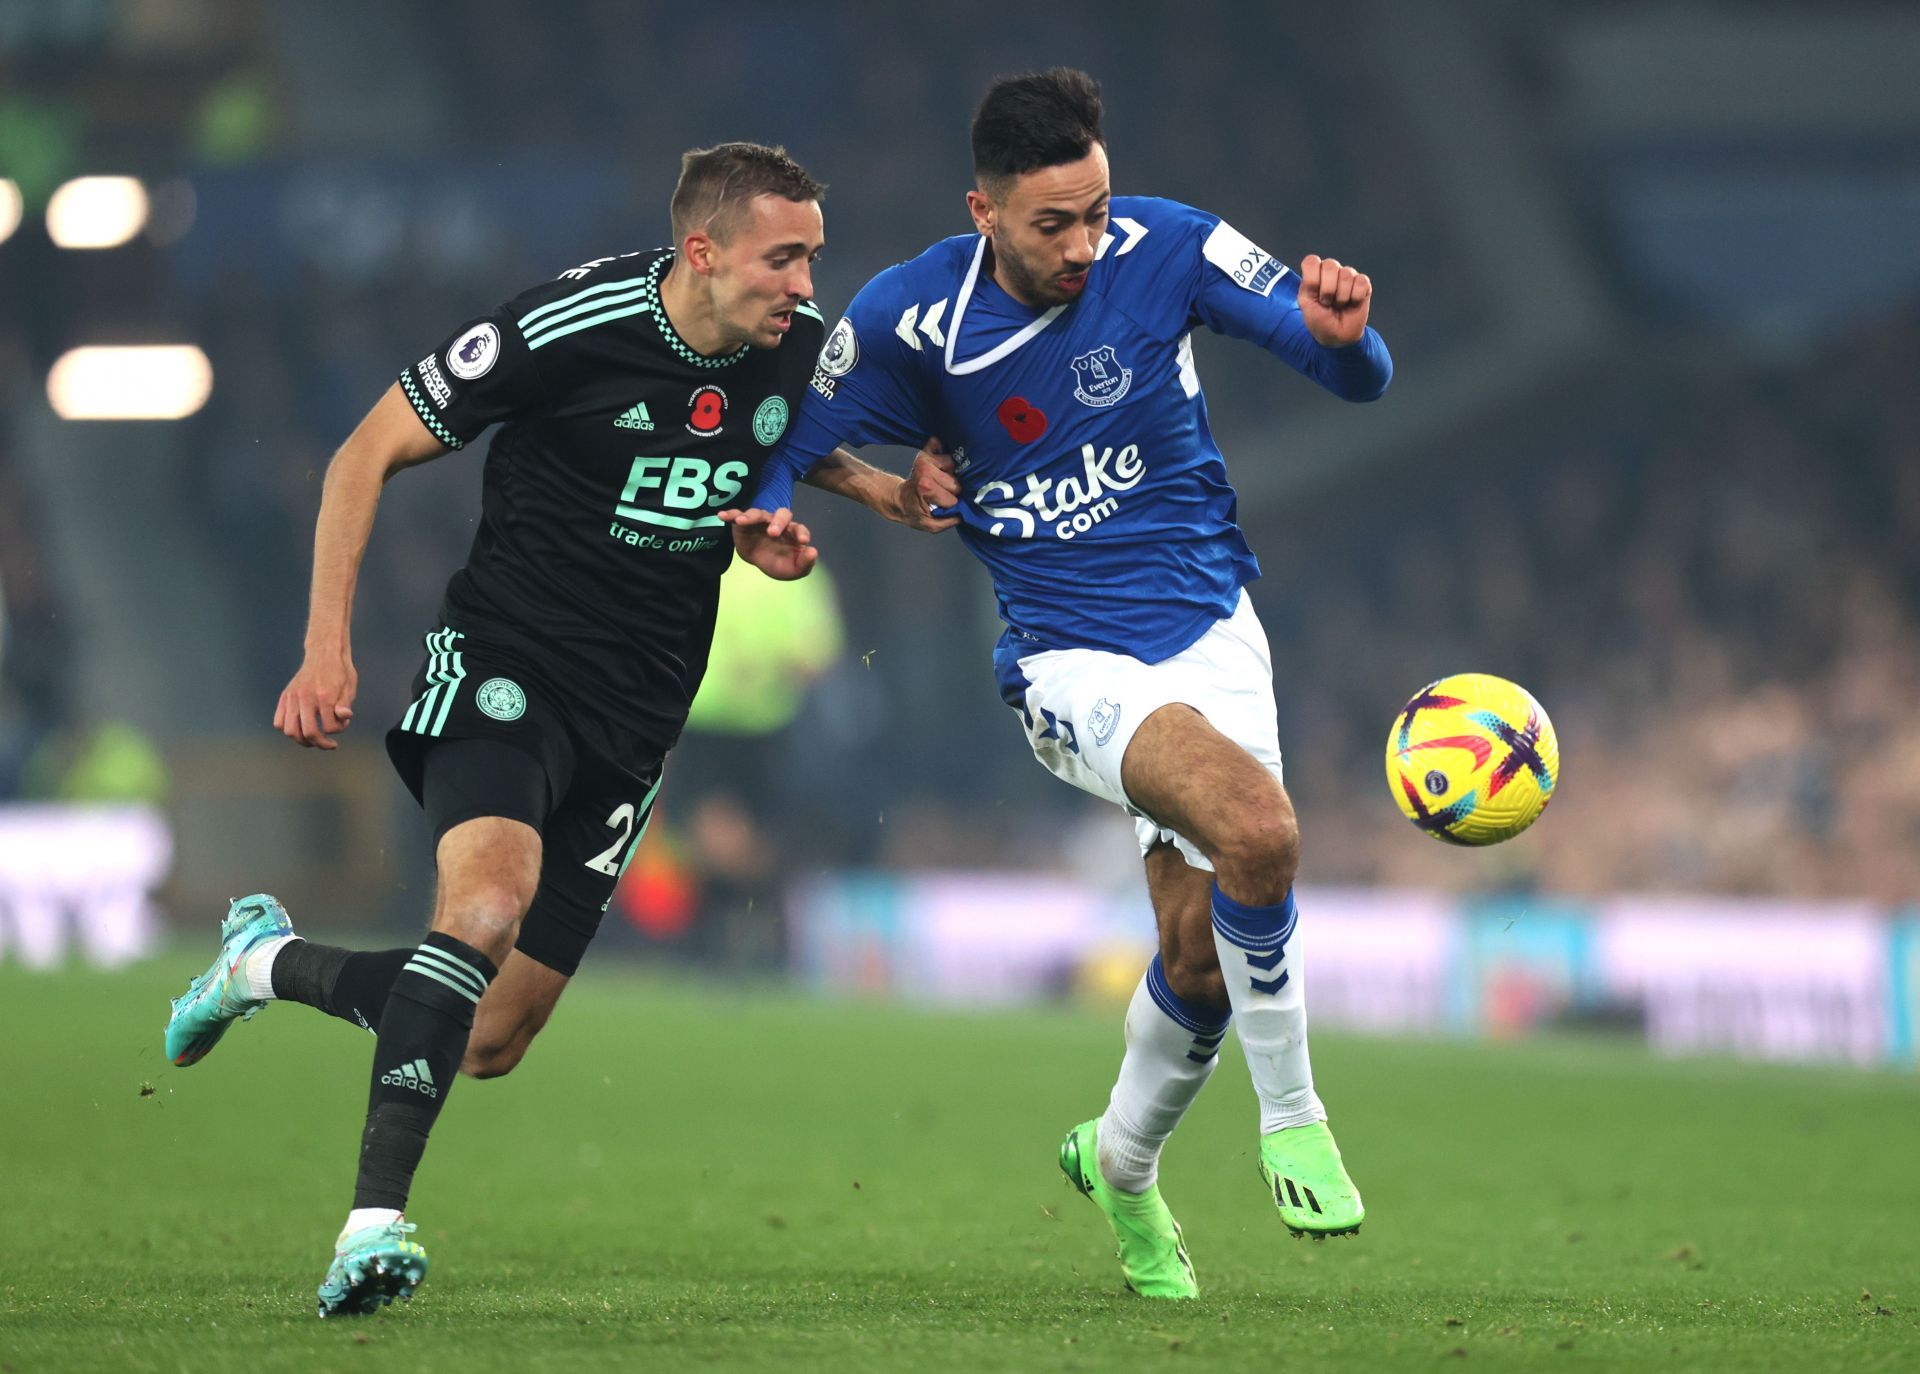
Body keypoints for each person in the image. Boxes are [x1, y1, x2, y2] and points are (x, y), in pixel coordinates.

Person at [727, 69, 1392, 1299]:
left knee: (1199, 954)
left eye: (1094, 211)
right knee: (1261, 833)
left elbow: (1346, 366)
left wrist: (1352, 345)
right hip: (1063, 657)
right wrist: (777, 513)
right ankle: (1294, 1116)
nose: (1086, 244)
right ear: (980, 210)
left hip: (1213, 632)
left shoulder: (1172, 243)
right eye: (1053, 224)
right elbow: (790, 436)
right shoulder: (906, 320)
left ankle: (1121, 1163)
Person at [162, 142, 842, 1318]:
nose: (804, 282)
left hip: (637, 717)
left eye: (812, 256)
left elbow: (795, 450)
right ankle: (371, 1228)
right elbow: (364, 450)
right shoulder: (566, 328)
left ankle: (263, 964)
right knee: (478, 908)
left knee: (488, 1034)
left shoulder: (790, 351)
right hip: (507, 664)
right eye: (783, 257)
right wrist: (327, 648)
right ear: (703, 252)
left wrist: (875, 502)